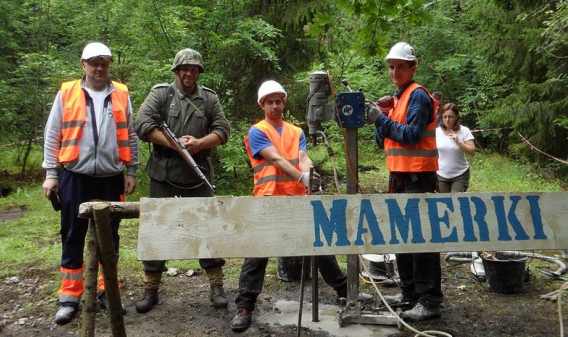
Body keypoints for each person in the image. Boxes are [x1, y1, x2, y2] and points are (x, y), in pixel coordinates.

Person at [231, 80, 373, 333]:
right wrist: (301, 177)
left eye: (279, 101)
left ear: (284, 102)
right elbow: (274, 158)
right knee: (257, 254)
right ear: (262, 104)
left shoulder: (296, 131)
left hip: (297, 198)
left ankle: (346, 291)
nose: (275, 105)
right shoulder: (258, 131)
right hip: (269, 199)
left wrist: (310, 174)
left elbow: (303, 157)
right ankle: (245, 306)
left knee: (320, 246)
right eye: (270, 102)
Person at [42, 42, 139, 325]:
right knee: (73, 232)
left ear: (109, 65)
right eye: (94, 63)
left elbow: (130, 135)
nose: (99, 68)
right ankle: (69, 297)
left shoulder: (121, 93)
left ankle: (107, 290)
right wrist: (51, 173)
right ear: (83, 64)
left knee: (111, 235)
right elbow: (52, 134)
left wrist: (131, 170)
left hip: (111, 177)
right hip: (75, 175)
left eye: (104, 63)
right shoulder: (68, 92)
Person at [134, 48, 230, 313]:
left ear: (199, 72)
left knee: (208, 228)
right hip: (163, 172)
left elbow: (222, 131)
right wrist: (176, 146)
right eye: (184, 69)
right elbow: (142, 124)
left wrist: (198, 144)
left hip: (198, 171)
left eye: (194, 69)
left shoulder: (209, 98)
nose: (189, 73)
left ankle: (216, 286)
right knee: (157, 228)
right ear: (177, 70)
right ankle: (150, 289)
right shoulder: (161, 93)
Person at [367, 42, 443, 322]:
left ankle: (430, 300)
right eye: (391, 67)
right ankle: (410, 293)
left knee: (422, 238)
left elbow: (411, 135)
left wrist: (380, 118)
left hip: (418, 177)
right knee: (402, 235)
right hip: (399, 177)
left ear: (413, 66)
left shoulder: (418, 96)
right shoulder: (399, 99)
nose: (395, 71)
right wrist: (382, 116)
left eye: (400, 67)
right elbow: (382, 141)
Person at [436, 103, 476, 192]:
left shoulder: (464, 131)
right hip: (441, 174)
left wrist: (459, 142)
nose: (447, 120)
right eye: (444, 117)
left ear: (456, 117)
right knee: (443, 203)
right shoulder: (437, 132)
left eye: (451, 117)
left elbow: (472, 151)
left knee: (455, 201)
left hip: (460, 174)